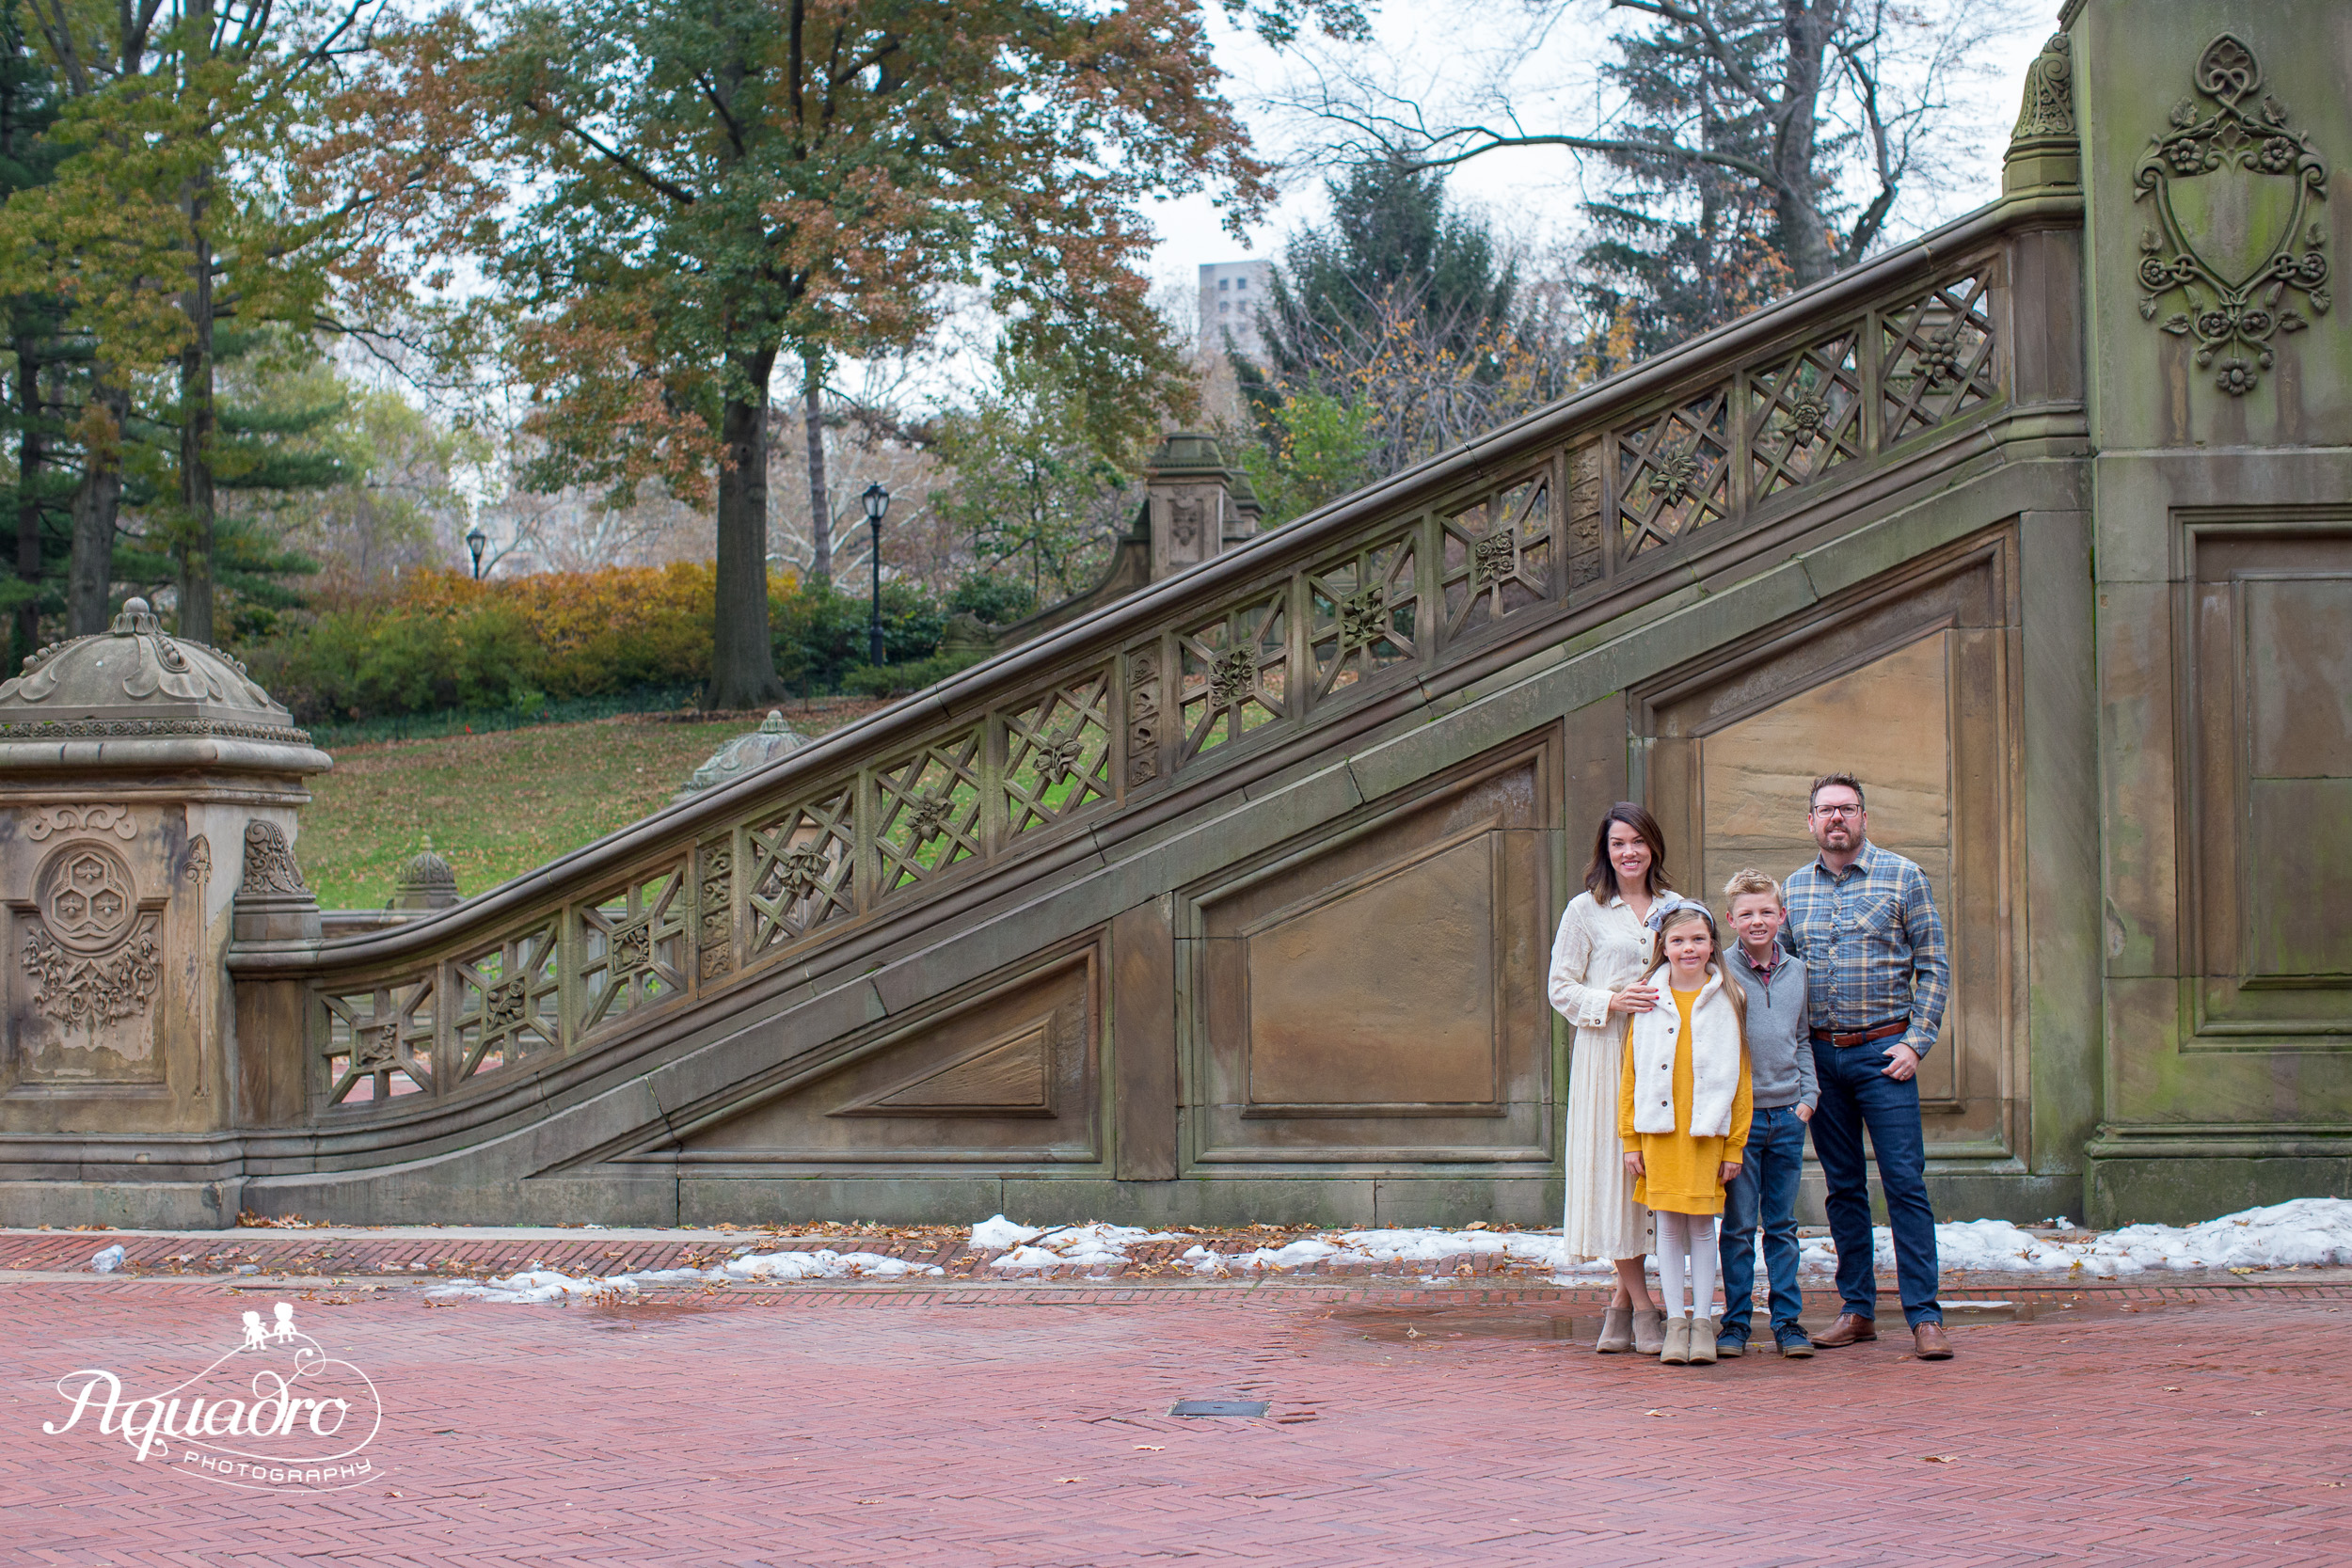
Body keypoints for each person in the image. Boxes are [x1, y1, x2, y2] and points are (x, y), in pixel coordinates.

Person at [1782, 773, 1953, 1361]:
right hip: (1822, 1059)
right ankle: (1857, 1310)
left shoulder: (1903, 877)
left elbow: (1933, 965)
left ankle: (1925, 1317)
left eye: (1847, 809)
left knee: (1905, 1185)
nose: (1836, 819)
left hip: (1885, 1057)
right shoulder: (1794, 890)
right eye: (1825, 810)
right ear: (1810, 822)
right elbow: (1780, 975)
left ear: (1863, 817)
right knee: (1843, 1189)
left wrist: (1916, 1042)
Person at [1547, 803, 1693, 1355]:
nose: (1628, 852)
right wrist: (1611, 1000)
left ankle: (1619, 1306)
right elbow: (1560, 987)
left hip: (1666, 1054)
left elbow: (1698, 966)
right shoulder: (1585, 911)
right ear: (1605, 852)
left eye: (1636, 841)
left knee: (1656, 1178)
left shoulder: (1677, 908)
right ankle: (1646, 1308)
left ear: (1653, 845)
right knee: (1616, 1179)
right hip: (1607, 1055)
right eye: (1617, 844)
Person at [1617, 903, 1752, 1366]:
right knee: (1669, 1228)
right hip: (1661, 1134)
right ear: (1664, 947)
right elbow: (1631, 1073)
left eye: (1697, 939)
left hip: (1706, 1134)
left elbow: (1741, 1079)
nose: (1688, 948)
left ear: (1713, 944)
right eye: (1678, 941)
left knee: (1702, 1229)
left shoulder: (1727, 998)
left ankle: (1701, 1321)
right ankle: (1675, 1321)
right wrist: (1630, 1139)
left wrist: (1734, 1144)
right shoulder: (1649, 999)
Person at [1715, 870, 1818, 1360]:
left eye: (1767, 911)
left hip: (1788, 1115)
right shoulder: (1720, 972)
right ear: (1731, 919)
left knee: (1782, 1224)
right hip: (1743, 1120)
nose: (1758, 921)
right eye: (1747, 913)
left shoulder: (1797, 971)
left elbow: (1801, 1038)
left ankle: (1787, 1322)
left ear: (1782, 915)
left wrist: (1808, 1096)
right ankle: (1734, 1323)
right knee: (1737, 1225)